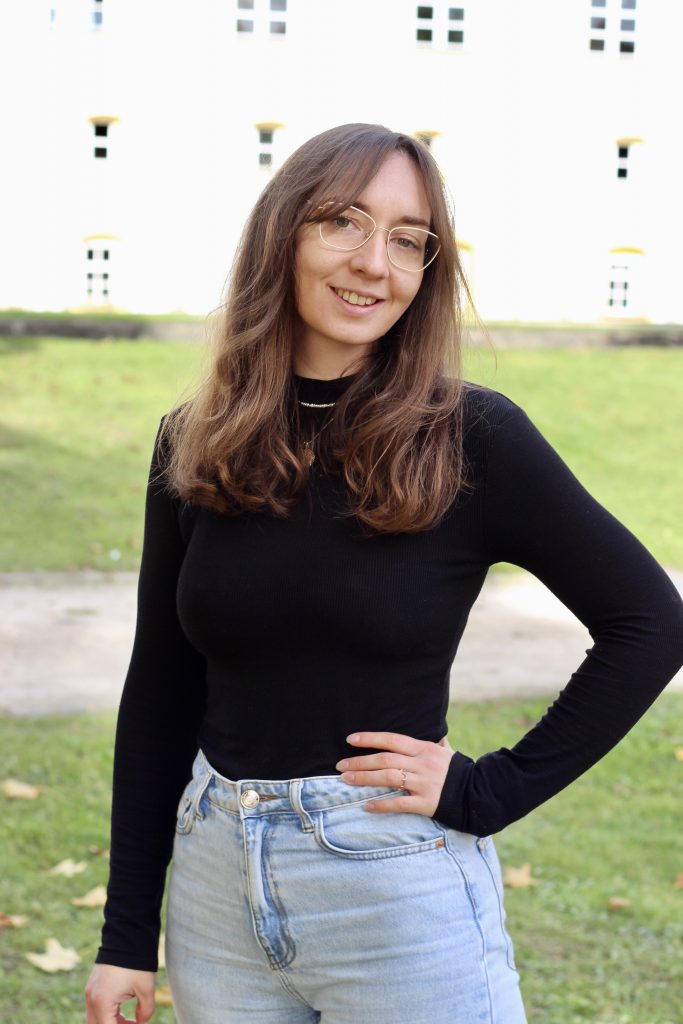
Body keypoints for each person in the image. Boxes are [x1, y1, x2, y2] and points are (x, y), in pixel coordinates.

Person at [84, 123, 683, 1024]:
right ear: (283, 233)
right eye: (343, 222)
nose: (374, 263)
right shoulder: (195, 437)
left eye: (408, 239)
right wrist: (126, 935)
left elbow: (650, 621)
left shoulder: (471, 436)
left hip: (394, 889)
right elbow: (161, 687)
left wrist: (488, 790)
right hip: (215, 891)